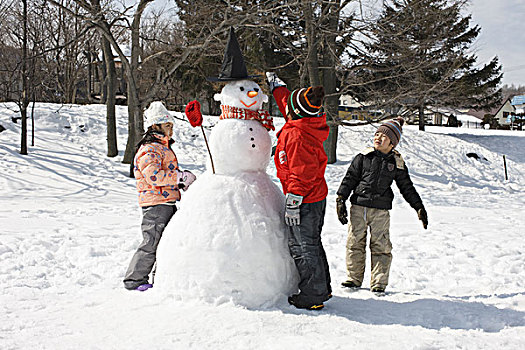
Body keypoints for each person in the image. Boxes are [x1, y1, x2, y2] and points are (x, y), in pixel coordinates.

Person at [336, 117, 428, 294]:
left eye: (384, 136)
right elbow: (349, 179)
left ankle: (378, 281)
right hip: (359, 207)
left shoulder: (396, 163)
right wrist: (341, 198)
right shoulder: (363, 157)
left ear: (392, 143)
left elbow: (406, 187)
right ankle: (353, 278)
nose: (378, 137)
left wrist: (418, 207)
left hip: (381, 211)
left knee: (381, 246)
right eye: (377, 133)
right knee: (354, 243)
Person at [266, 72, 331, 310]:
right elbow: (289, 104)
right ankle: (321, 288)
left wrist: (293, 201)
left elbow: (301, 173)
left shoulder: (297, 136)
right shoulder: (306, 121)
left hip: (305, 198)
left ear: (295, 113)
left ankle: (313, 295)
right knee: (311, 242)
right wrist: (277, 87)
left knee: (304, 246)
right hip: (315, 196)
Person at [123, 101, 196, 291]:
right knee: (152, 242)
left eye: (172, 126)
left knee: (165, 243)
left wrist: (181, 181)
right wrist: (178, 177)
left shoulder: (162, 147)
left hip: (166, 201)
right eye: (167, 126)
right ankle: (134, 280)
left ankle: (160, 278)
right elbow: (153, 176)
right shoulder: (150, 149)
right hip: (155, 205)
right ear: (155, 126)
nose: (171, 130)